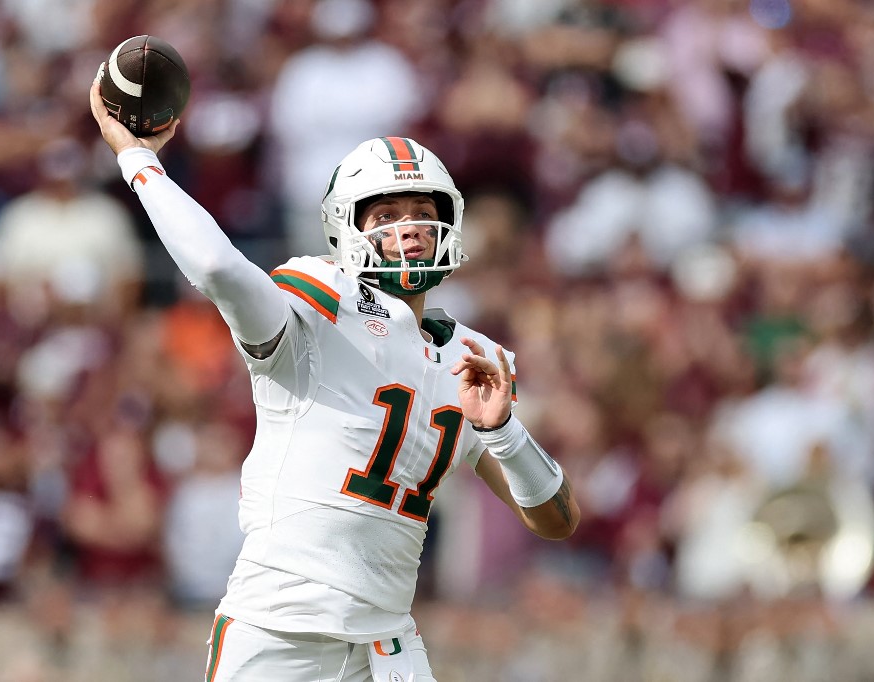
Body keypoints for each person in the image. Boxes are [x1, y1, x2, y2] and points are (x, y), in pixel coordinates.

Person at [89, 72, 581, 682]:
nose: (407, 228)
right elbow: (216, 265)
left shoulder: (474, 357)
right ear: (345, 225)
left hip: (388, 644)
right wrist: (136, 157)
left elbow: (555, 520)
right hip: (281, 626)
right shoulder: (318, 301)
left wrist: (504, 430)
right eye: (387, 212)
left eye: (423, 213)